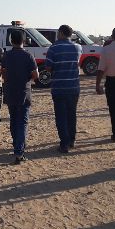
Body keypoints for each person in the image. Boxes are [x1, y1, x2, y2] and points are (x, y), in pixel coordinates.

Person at [1, 29, 39, 164]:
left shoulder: (6, 55)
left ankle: (16, 145)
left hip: (10, 91)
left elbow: (3, 73)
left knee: (14, 120)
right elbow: (36, 75)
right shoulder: (28, 56)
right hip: (24, 92)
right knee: (22, 122)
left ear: (11, 41)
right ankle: (19, 151)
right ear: (24, 40)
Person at [45, 25, 82, 153]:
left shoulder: (53, 48)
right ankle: (72, 140)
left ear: (60, 33)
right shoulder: (78, 47)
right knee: (72, 114)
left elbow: (48, 67)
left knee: (61, 116)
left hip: (59, 87)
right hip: (74, 86)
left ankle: (64, 143)